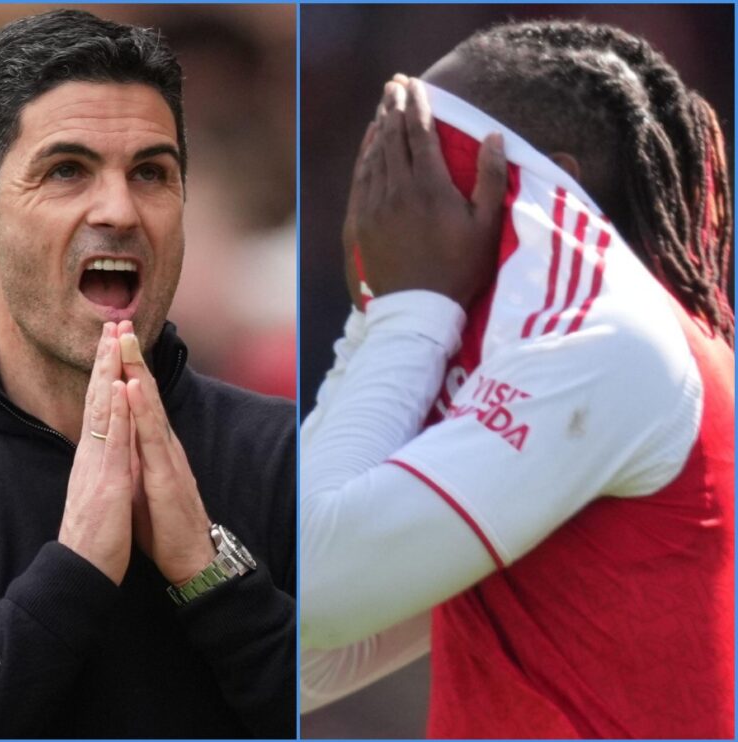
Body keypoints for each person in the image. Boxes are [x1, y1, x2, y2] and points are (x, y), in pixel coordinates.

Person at [0, 10, 295, 738]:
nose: (119, 210)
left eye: (151, 173)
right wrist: (78, 569)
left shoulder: (286, 454)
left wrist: (208, 571)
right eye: (67, 170)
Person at [300, 21, 733, 738]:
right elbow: (303, 650)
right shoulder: (522, 349)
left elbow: (318, 589)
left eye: (423, 159)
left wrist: (405, 311)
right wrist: (382, 315)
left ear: (543, 180)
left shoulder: (607, 340)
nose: (391, 199)